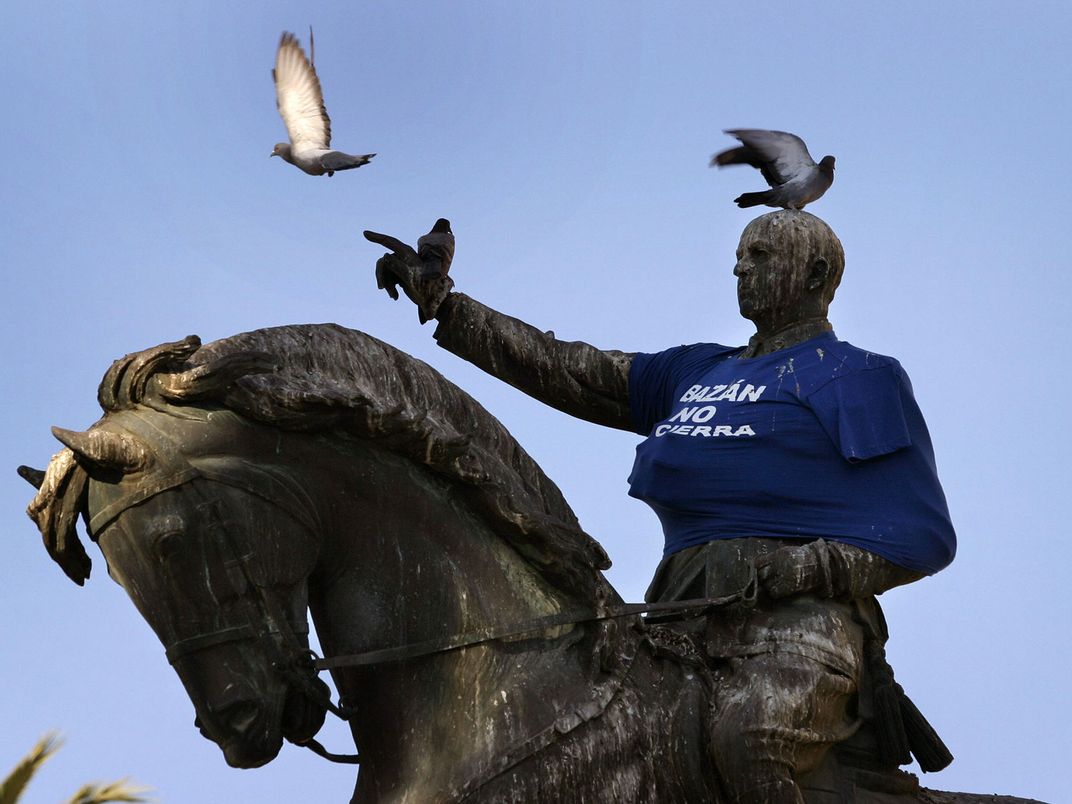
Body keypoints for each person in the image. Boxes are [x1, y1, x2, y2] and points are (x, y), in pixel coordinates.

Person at [366, 210, 956, 803]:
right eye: (740, 254)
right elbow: (571, 370)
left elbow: (919, 530)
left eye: (760, 255)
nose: (739, 266)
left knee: (749, 739)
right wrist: (447, 305)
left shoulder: (856, 376)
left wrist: (810, 567)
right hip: (677, 618)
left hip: (797, 624)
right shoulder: (697, 370)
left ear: (816, 274)